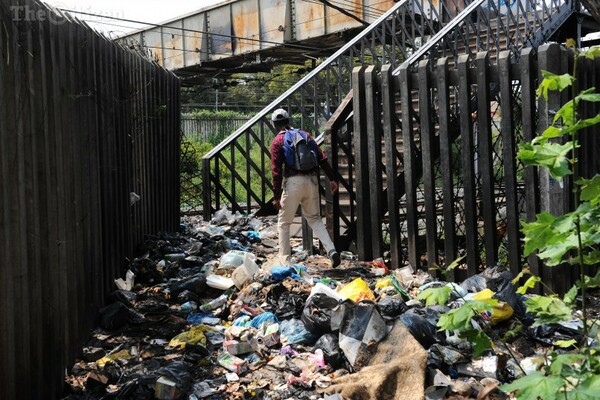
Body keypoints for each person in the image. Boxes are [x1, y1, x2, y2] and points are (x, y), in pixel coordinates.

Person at [269, 108, 341, 268]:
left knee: (284, 222)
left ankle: (284, 261)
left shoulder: (277, 142)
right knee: (315, 219)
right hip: (312, 181)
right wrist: (332, 178)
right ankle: (331, 250)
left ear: (275, 125)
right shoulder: (305, 135)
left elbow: (276, 171)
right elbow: (322, 158)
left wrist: (276, 195)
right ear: (288, 121)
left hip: (293, 182)